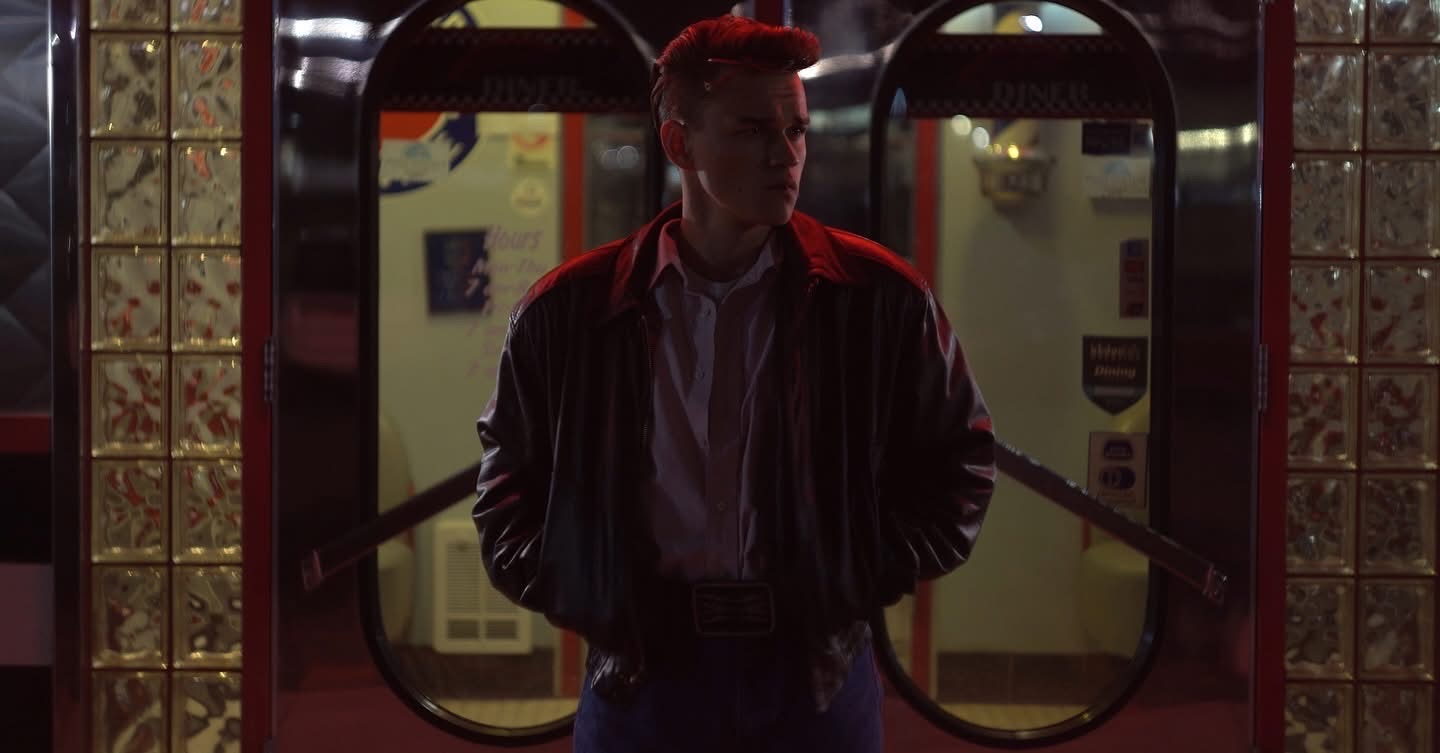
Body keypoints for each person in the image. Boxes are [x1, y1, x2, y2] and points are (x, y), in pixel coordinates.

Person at [473, 14, 996, 753]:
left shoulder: (876, 299)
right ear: (679, 143)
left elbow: (962, 463)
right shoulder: (569, 313)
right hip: (644, 675)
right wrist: (589, 592)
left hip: (812, 674)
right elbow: (506, 491)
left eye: (797, 129)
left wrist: (855, 573)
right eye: (753, 130)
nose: (786, 154)